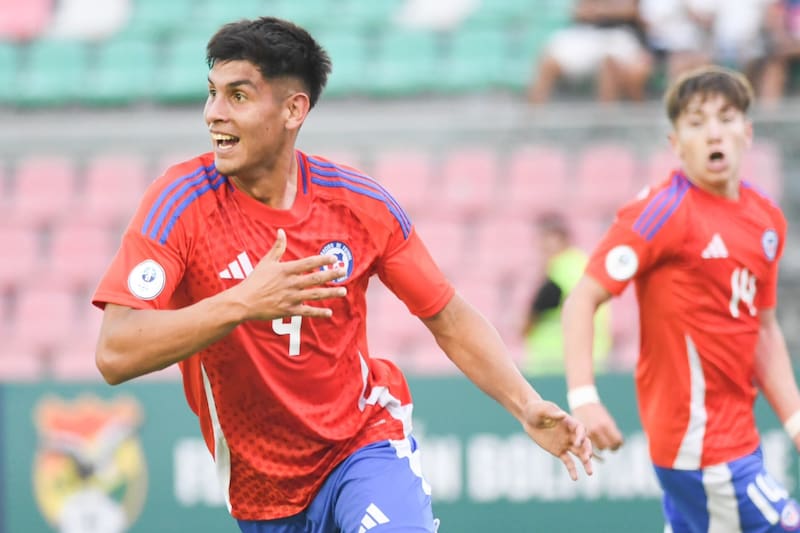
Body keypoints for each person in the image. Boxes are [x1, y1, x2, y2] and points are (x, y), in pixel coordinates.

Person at [91, 16, 594, 533]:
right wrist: (243, 302)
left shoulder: (356, 203)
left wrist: (526, 404)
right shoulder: (180, 204)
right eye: (212, 93)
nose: (213, 114)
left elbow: (447, 315)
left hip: (361, 447)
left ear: (293, 109)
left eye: (237, 97)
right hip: (261, 494)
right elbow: (114, 353)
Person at [562, 64, 800, 532]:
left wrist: (793, 419)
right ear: (676, 143)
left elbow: (763, 330)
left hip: (739, 434)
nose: (714, 132)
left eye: (726, 118)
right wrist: (584, 397)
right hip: (699, 444)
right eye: (696, 122)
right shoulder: (662, 212)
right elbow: (583, 297)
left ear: (747, 133)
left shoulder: (767, 220)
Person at [521, 212, 611, 375]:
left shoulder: (559, 273)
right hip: (592, 362)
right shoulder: (585, 265)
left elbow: (529, 320)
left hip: (555, 366)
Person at [527, 0, 654, 104]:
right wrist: (607, 9)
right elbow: (581, 11)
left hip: (620, 34)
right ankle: (533, 121)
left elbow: (630, 10)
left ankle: (607, 125)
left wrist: (600, 10)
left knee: (609, 63)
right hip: (586, 33)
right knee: (549, 60)